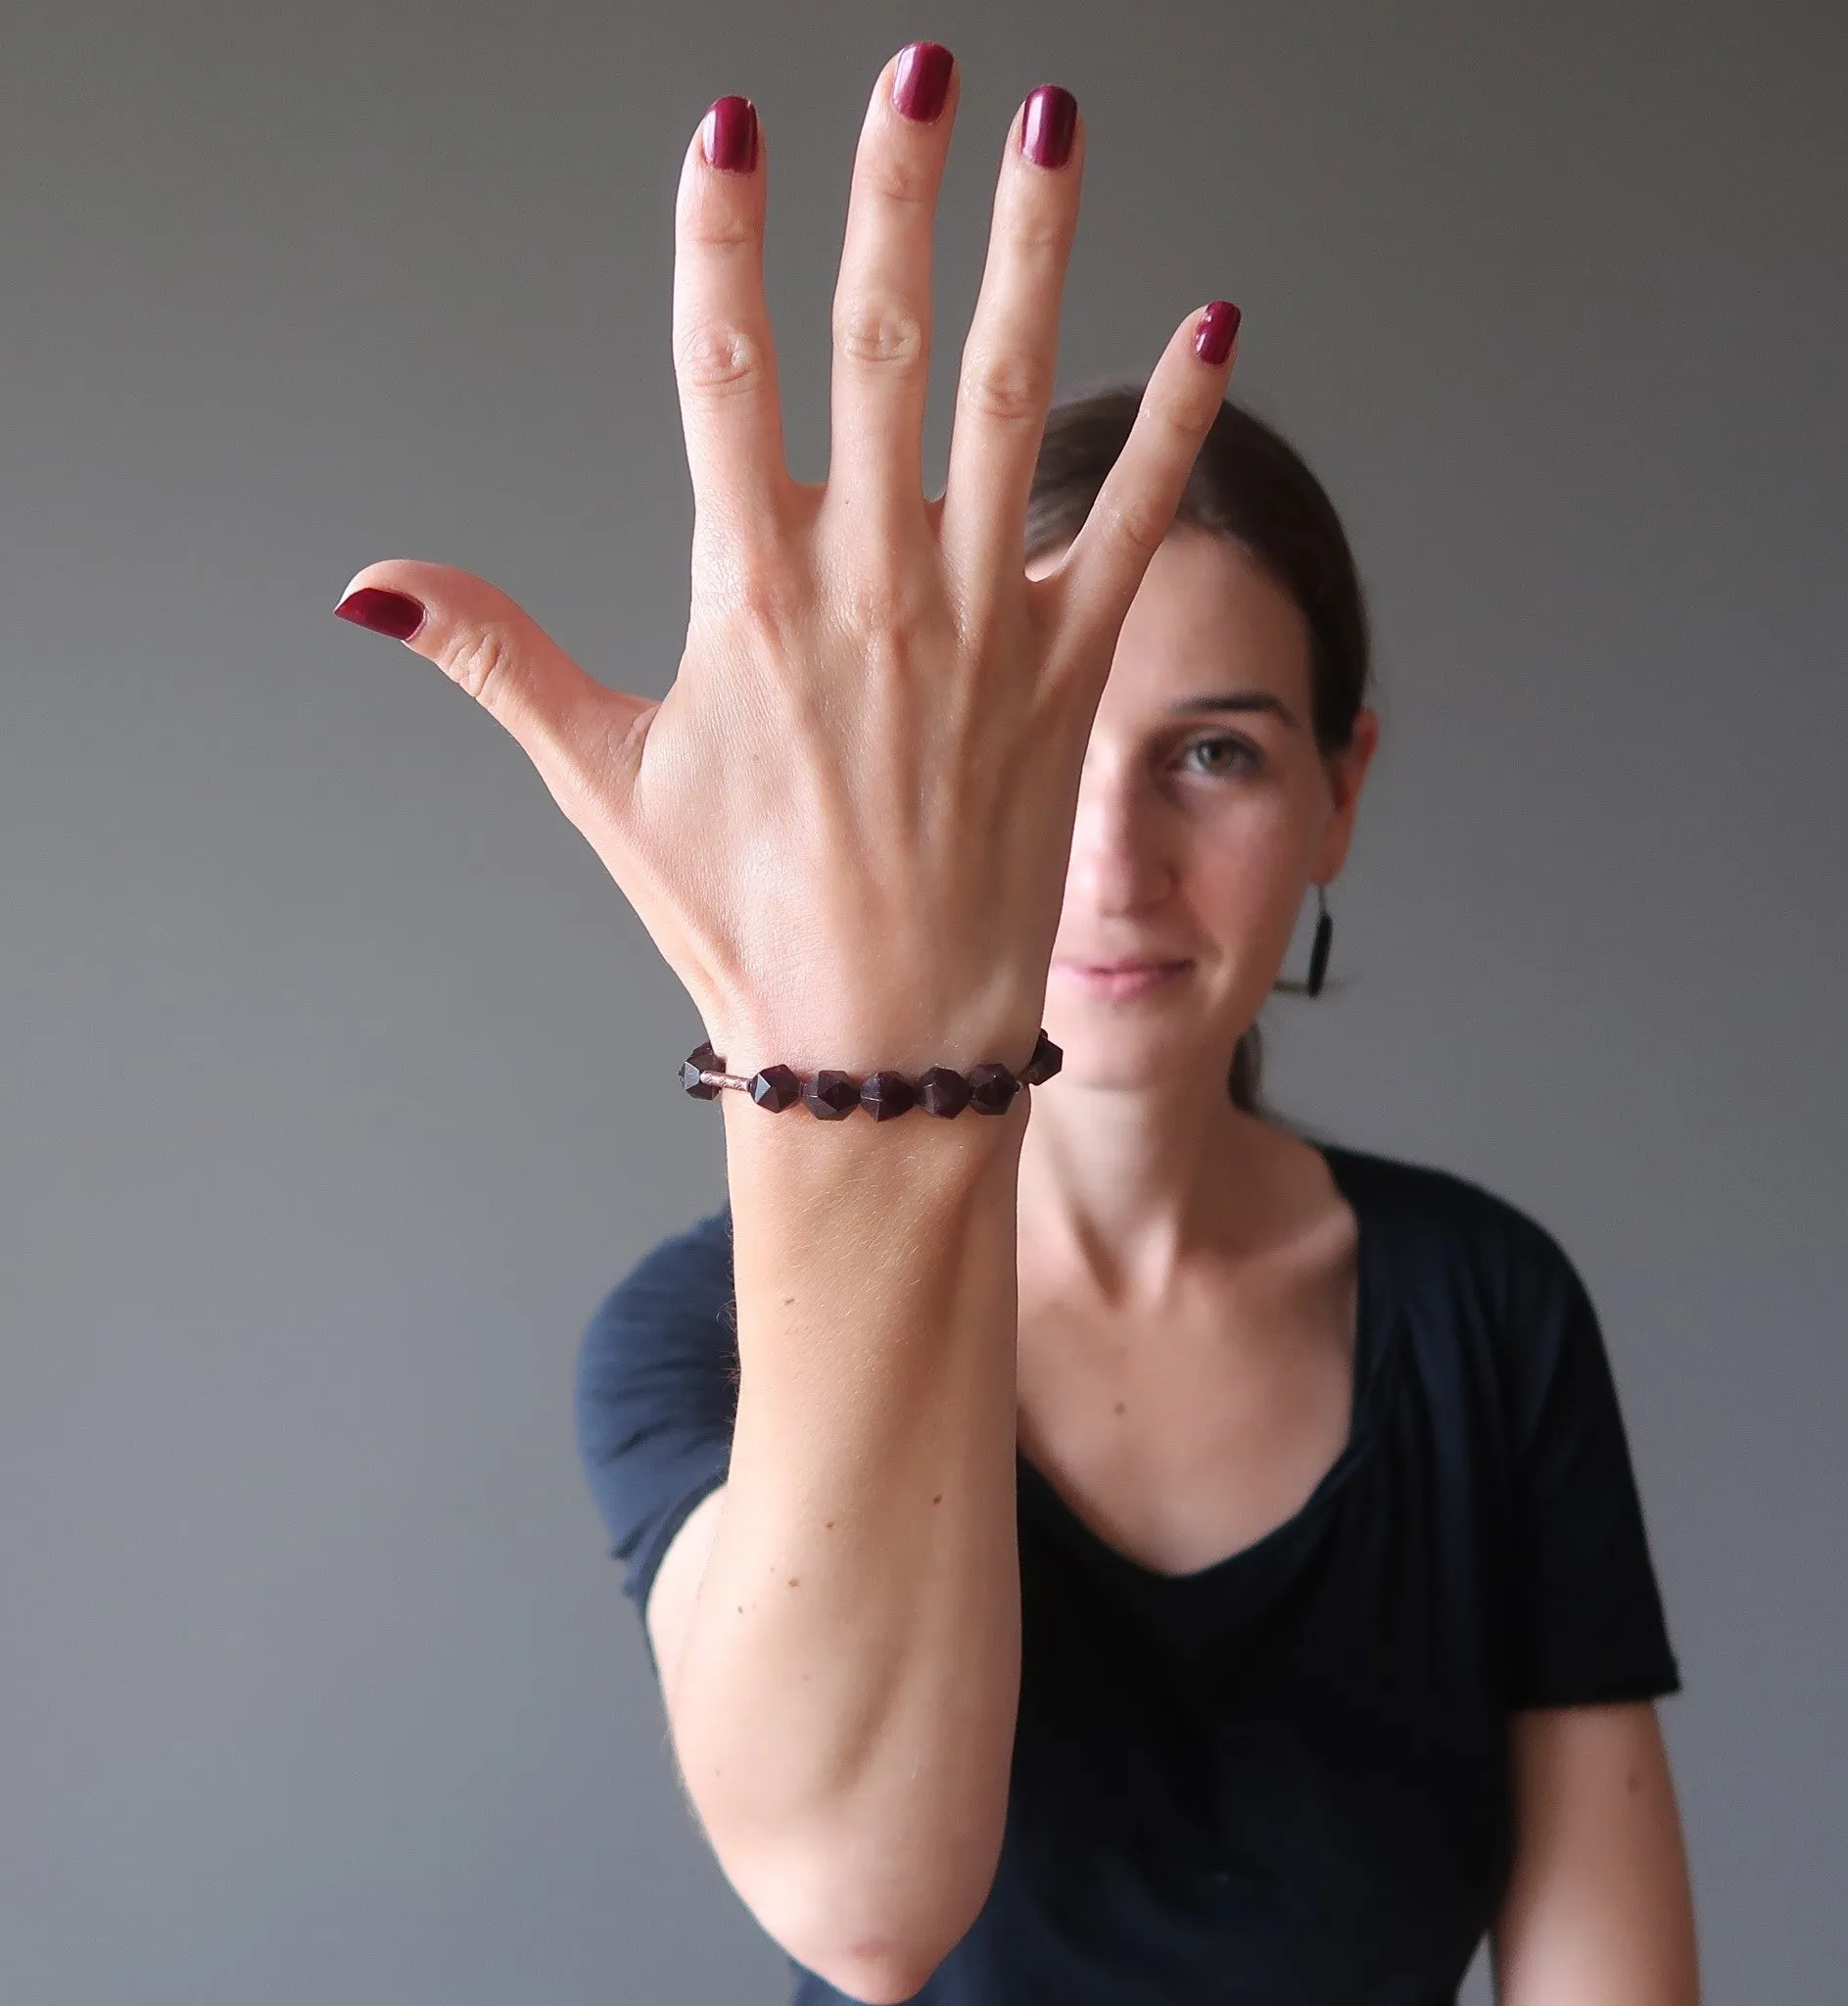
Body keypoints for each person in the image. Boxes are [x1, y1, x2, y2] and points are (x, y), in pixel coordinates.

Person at [334, 42, 1698, 2005]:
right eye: (1042, 768)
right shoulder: (688, 1338)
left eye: (1212, 754)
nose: (1111, 866)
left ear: (1341, 785)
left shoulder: (1488, 1309)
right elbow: (868, 1905)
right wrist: (862, 1044)